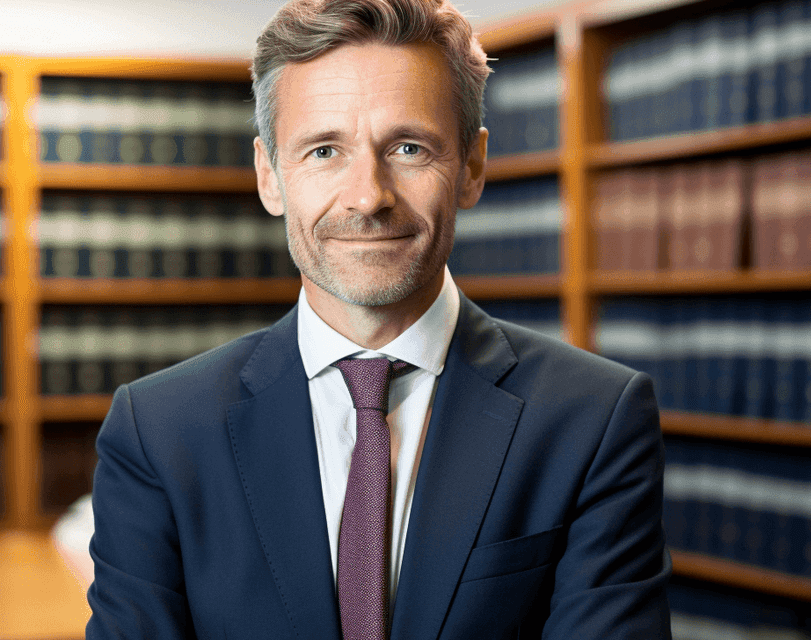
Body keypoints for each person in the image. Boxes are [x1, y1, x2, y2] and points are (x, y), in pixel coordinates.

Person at [85, 0, 671, 638]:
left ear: (472, 167)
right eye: (324, 151)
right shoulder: (158, 432)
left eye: (409, 147)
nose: (368, 197)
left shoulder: (594, 419)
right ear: (269, 175)